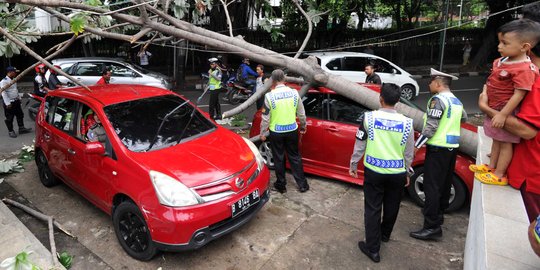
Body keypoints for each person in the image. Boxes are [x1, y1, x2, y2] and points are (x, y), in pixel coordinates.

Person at [477, 4, 540, 222]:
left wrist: (488, 109)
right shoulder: (513, 65)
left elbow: (528, 131)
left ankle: (497, 172)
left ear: (526, 46)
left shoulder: (530, 76)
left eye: (505, 42)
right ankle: (493, 167)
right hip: (524, 174)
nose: (500, 46)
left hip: (529, 179)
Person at [349, 83, 414, 263]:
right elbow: (409, 152)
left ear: (380, 98)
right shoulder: (407, 123)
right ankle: (385, 235)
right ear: (398, 101)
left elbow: (360, 143)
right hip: (397, 173)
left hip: (374, 171)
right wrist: (407, 172)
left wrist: (354, 164)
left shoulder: (368, 118)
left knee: (373, 208)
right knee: (392, 205)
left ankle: (373, 249)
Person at [410, 68, 466, 241]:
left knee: (431, 187)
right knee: (443, 184)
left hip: (437, 149)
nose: (429, 84)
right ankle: (438, 216)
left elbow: (431, 127)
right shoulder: (456, 101)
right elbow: (462, 119)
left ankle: (431, 227)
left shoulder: (437, 100)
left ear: (439, 83)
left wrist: (417, 146)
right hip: (451, 148)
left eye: (431, 81)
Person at [260, 69, 309, 193]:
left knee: (279, 158)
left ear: (274, 80)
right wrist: (303, 126)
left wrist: (262, 133)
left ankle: (281, 185)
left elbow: (265, 118)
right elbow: (301, 113)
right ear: (284, 79)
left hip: (276, 132)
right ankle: (302, 185)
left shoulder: (269, 96)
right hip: (292, 130)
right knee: (295, 157)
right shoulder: (294, 93)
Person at [1, 66, 32, 138]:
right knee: (9, 118)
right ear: (10, 72)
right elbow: (3, 93)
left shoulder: (14, 80)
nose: (15, 73)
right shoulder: (3, 81)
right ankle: (11, 131)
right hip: (9, 102)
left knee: (20, 115)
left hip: (16, 101)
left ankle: (21, 128)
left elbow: (15, 90)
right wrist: (7, 103)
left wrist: (18, 97)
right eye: (14, 72)